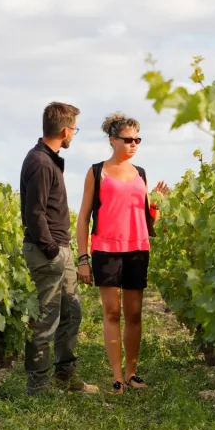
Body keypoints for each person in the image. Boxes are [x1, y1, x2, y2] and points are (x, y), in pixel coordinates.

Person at [76, 112, 169, 394]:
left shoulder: (140, 173)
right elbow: (83, 218)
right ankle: (116, 377)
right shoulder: (96, 172)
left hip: (138, 248)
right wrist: (83, 258)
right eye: (128, 139)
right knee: (112, 312)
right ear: (112, 140)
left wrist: (157, 205)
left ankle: (132, 373)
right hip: (106, 249)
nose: (133, 144)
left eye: (137, 139)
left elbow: (147, 218)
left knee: (135, 313)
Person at [19, 101, 99, 396]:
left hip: (59, 248)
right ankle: (38, 387)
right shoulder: (40, 162)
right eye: (74, 129)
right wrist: (53, 250)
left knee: (71, 312)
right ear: (65, 130)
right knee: (46, 317)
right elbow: (34, 213)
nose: (73, 135)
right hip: (48, 250)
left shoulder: (48, 159)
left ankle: (66, 376)